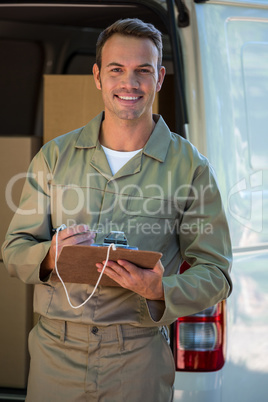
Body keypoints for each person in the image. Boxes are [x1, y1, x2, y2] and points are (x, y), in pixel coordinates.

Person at [2, 18, 232, 402]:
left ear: (159, 78)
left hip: (137, 358)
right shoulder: (55, 157)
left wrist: (162, 288)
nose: (130, 83)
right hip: (56, 354)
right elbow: (13, 250)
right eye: (116, 70)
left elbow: (216, 273)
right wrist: (49, 256)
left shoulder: (191, 168)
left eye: (143, 70)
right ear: (97, 77)